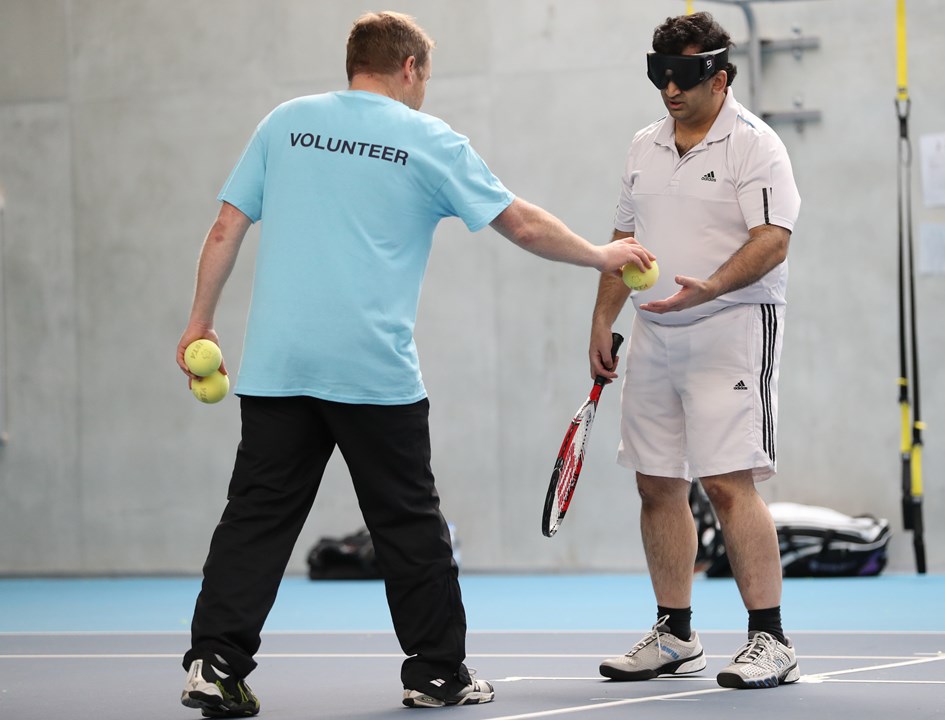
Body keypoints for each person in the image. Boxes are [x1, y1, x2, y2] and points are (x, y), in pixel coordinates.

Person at [175, 11, 654, 717]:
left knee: (253, 518)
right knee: (407, 523)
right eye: (426, 74)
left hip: (277, 368)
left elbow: (225, 226)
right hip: (373, 372)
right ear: (409, 68)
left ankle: (215, 663)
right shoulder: (429, 140)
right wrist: (600, 253)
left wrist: (198, 324)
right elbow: (517, 221)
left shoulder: (284, 123)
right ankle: (436, 672)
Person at [590, 12, 801, 690]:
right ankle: (675, 633)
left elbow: (773, 239)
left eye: (681, 77)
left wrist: (709, 287)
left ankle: (771, 640)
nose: (669, 91)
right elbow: (622, 242)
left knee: (726, 482)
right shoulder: (643, 145)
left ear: (719, 76)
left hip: (730, 328)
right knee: (656, 482)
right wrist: (601, 321)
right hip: (655, 335)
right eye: (659, 76)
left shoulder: (755, 145)